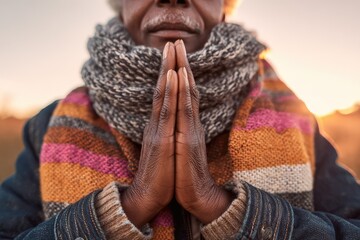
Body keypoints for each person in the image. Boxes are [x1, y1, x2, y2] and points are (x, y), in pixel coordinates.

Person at [1, 0, 360, 239]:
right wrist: (127, 208)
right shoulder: (48, 126)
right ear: (122, 6)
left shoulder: (294, 119)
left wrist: (222, 208)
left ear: (223, 8)